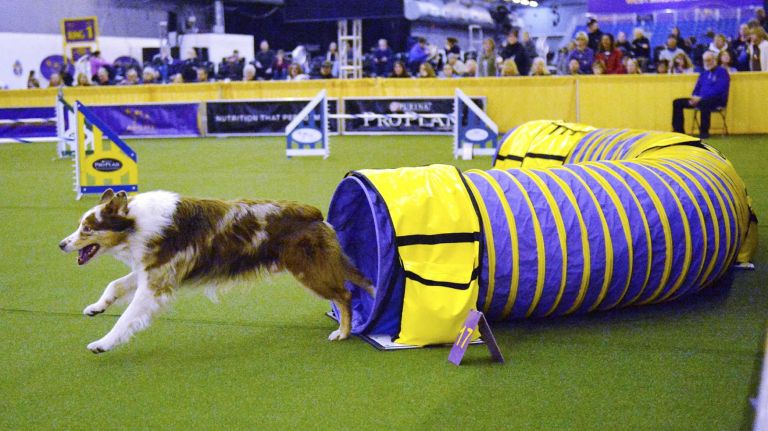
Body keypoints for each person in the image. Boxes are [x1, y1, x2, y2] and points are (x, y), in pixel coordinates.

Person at [672, 51, 729, 139]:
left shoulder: (722, 72)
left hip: (716, 100)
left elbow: (720, 90)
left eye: (709, 60)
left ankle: (704, 133)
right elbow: (697, 88)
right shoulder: (704, 74)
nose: (707, 63)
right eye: (705, 61)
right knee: (677, 102)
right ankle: (678, 131)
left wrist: (701, 98)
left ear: (714, 60)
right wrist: (694, 97)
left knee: (704, 102)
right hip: (700, 99)